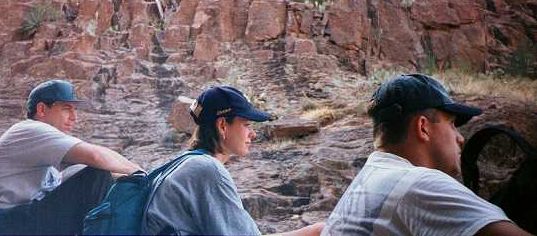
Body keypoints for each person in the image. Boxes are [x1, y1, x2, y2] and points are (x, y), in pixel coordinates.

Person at [322, 73, 533, 236]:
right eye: (452, 124)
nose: (460, 138)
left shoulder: (369, 177)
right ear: (423, 127)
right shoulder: (420, 183)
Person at [145, 85, 325, 236]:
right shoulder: (207, 169)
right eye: (246, 125)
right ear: (222, 125)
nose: (253, 134)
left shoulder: (188, 161)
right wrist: (315, 231)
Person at [0, 79, 141, 235]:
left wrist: (130, 178)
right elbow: (96, 156)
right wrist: (141, 174)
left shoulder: (42, 144)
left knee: (103, 176)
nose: (74, 117)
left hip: (13, 219)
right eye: (66, 108)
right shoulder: (32, 129)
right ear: (41, 109)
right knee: (98, 175)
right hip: (4, 223)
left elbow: (87, 170)